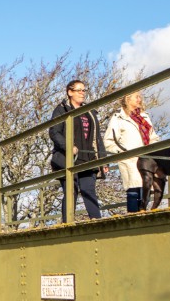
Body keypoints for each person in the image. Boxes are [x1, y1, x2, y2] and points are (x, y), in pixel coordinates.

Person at [49, 79, 108, 223]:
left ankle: (97, 222)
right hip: (67, 159)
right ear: (70, 92)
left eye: (84, 90)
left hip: (88, 159)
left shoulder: (90, 112)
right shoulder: (61, 109)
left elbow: (97, 138)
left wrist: (103, 159)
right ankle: (67, 224)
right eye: (79, 90)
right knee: (71, 191)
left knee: (89, 190)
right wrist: (68, 146)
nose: (82, 93)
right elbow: (54, 132)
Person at [104, 91, 160, 193]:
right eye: (137, 97)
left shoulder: (144, 117)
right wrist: (122, 152)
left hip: (147, 160)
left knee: (146, 192)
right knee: (134, 191)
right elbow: (108, 141)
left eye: (140, 97)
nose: (140, 99)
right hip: (129, 160)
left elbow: (153, 137)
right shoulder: (118, 118)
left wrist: (154, 150)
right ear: (127, 99)